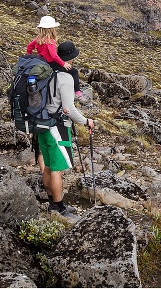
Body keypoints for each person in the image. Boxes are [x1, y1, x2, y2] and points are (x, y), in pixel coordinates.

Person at [38, 40, 94, 220]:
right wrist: (86, 121)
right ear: (71, 58)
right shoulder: (66, 78)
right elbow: (69, 108)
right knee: (57, 168)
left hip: (42, 124)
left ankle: (52, 203)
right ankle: (60, 208)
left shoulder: (46, 72)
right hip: (57, 127)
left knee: (48, 166)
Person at [26, 15, 87, 103]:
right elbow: (54, 56)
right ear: (52, 29)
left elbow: (29, 47)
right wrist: (63, 64)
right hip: (51, 64)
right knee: (74, 71)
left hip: (41, 62)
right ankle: (78, 93)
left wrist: (30, 57)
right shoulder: (50, 41)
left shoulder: (38, 39)